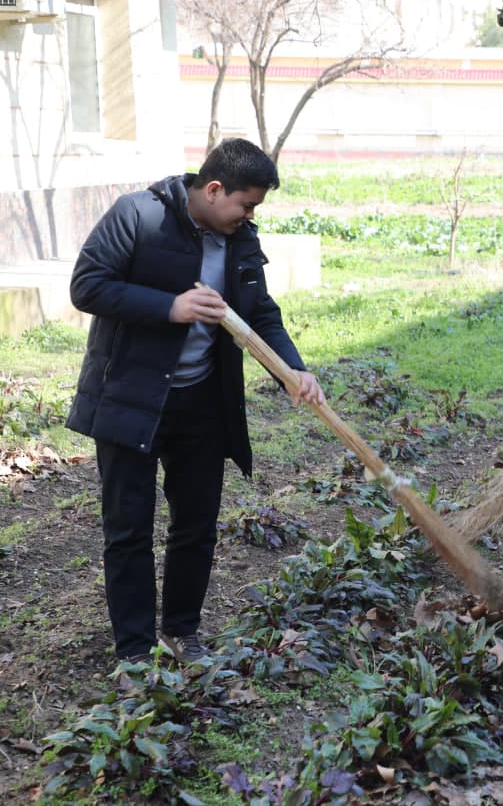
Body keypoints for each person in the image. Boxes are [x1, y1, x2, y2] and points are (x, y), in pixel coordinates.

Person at [67, 138, 325, 665]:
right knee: (129, 529)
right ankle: (135, 653)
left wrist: (293, 370)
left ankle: (180, 631)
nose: (249, 216)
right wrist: (172, 307)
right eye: (246, 204)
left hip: (203, 405)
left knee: (197, 525)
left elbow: (262, 312)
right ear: (213, 189)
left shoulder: (240, 240)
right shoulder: (137, 216)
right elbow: (88, 286)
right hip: (131, 398)